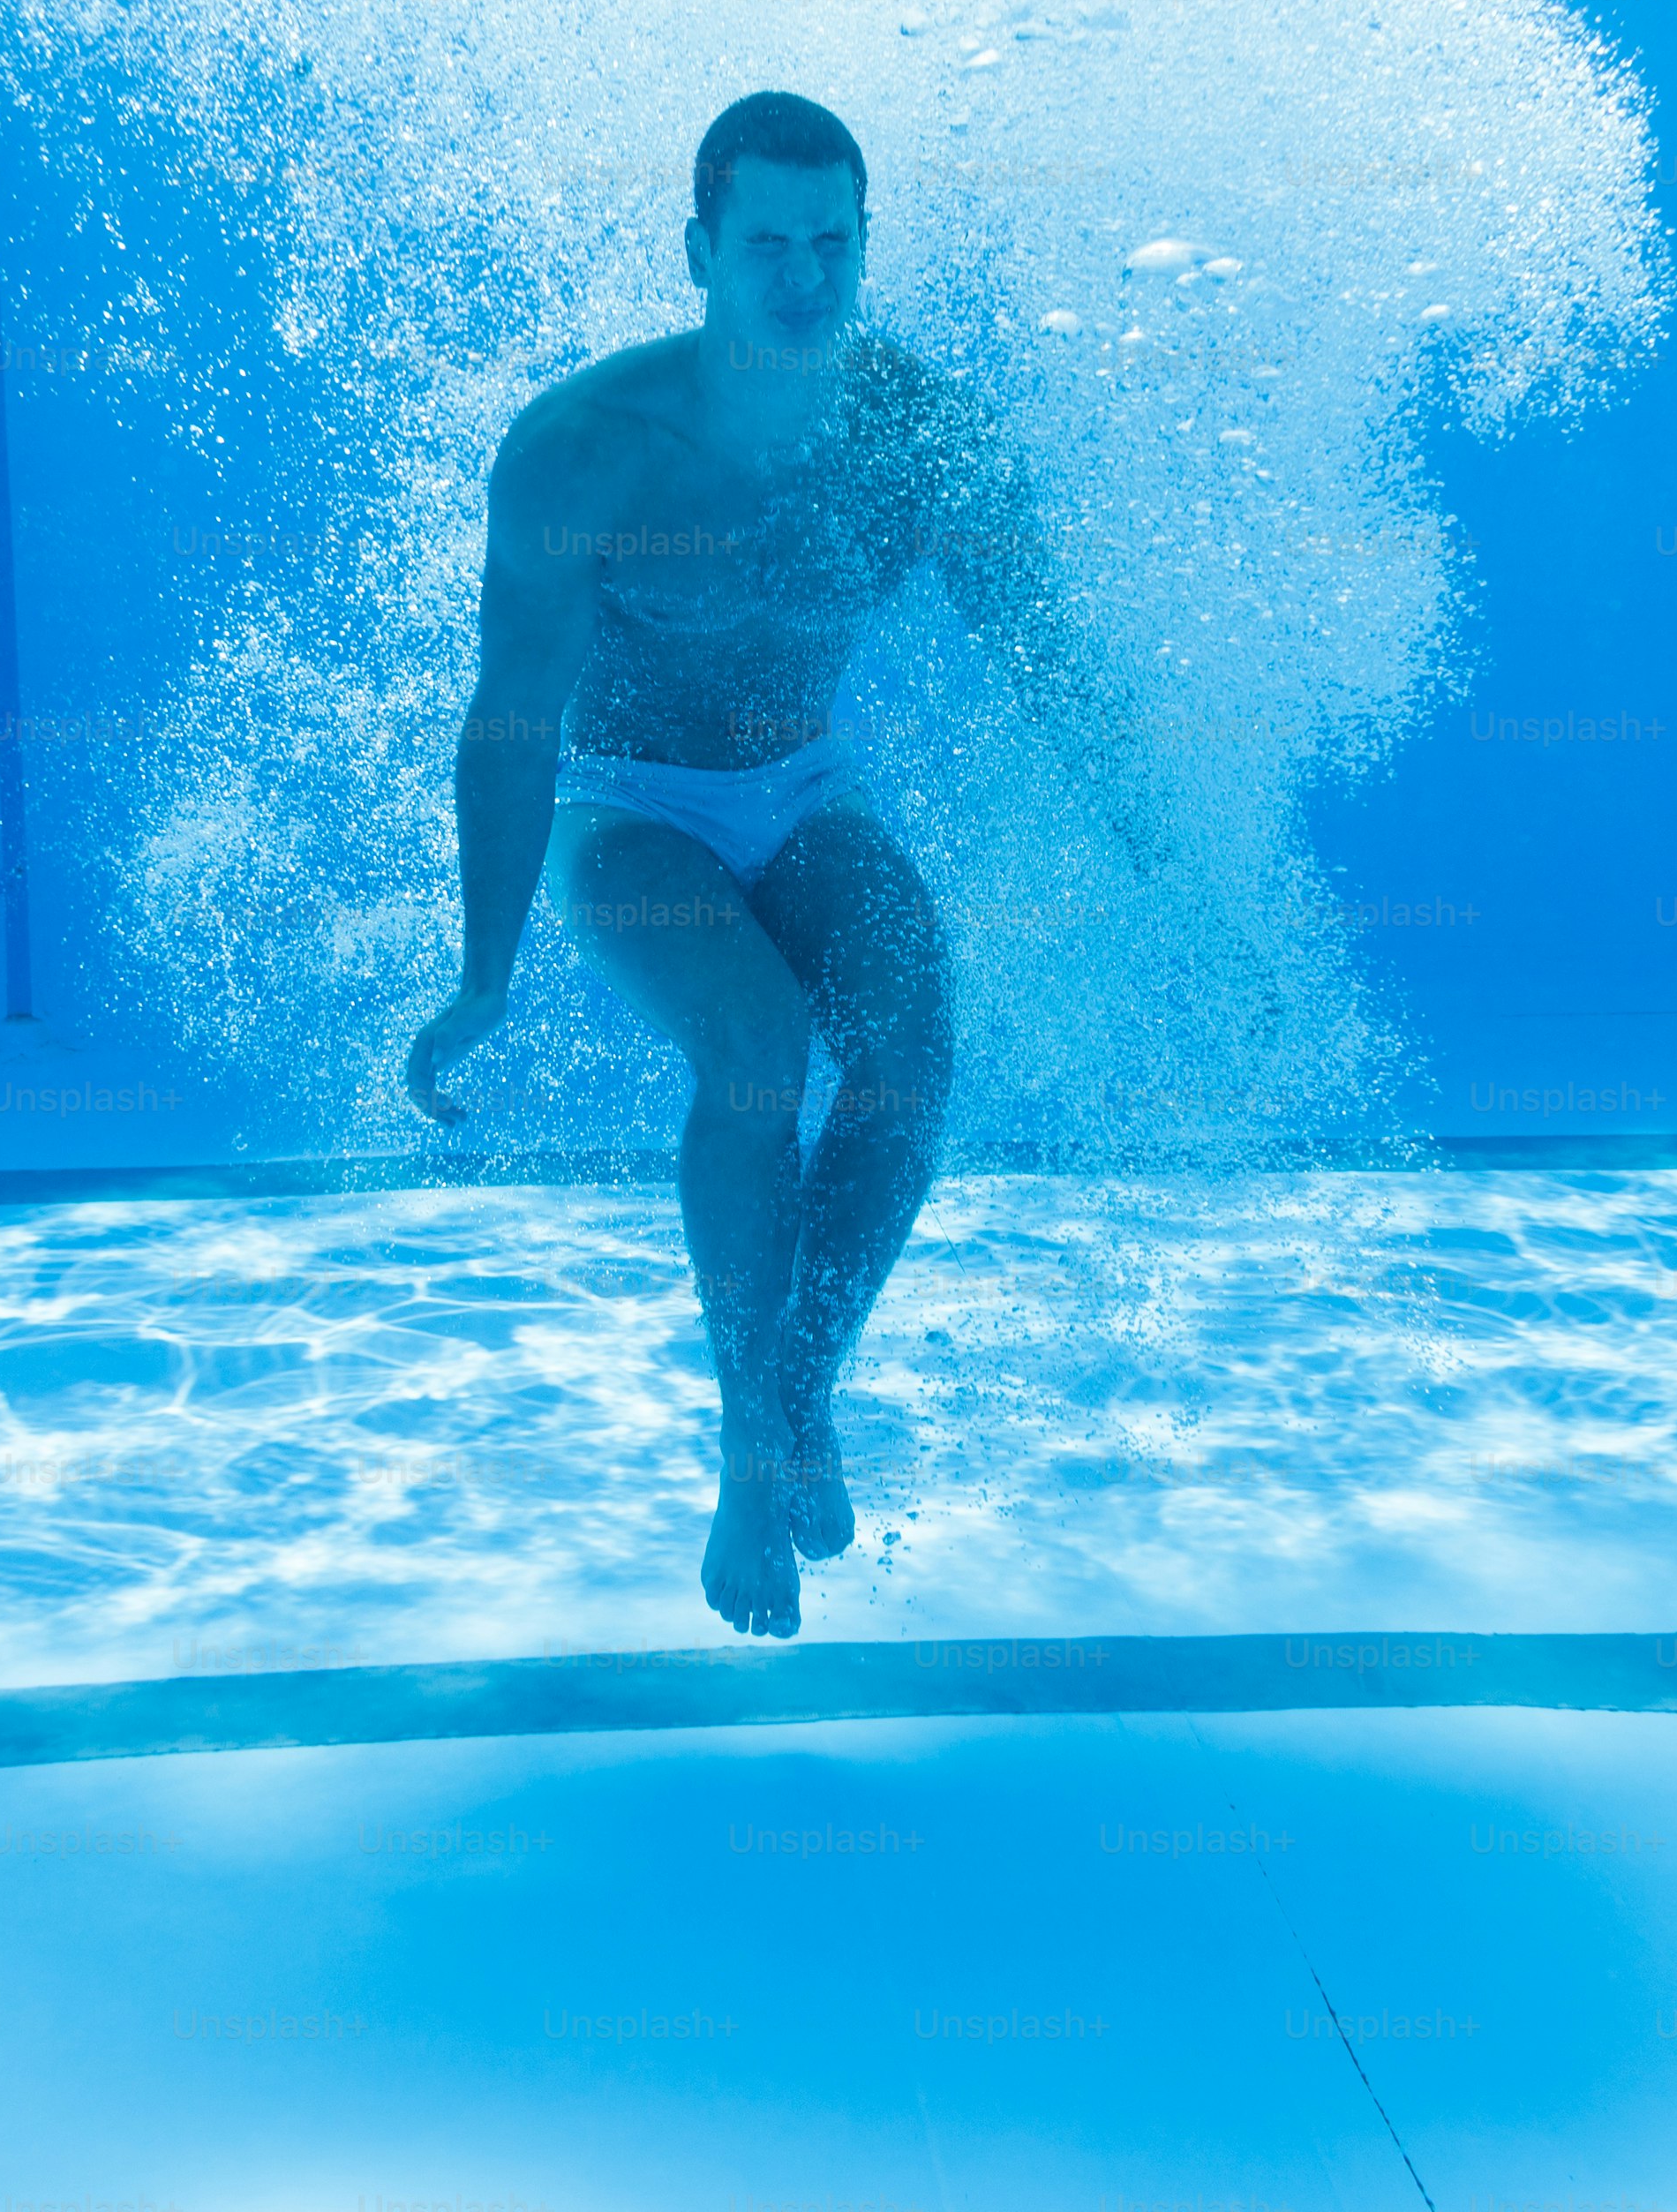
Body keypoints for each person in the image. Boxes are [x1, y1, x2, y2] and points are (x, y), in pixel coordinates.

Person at [402, 92, 1158, 1638]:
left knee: (911, 1045)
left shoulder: (917, 433)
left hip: (807, 784)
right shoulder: (586, 452)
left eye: (835, 243)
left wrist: (1173, 870)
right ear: (699, 252)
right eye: (769, 247)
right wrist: (483, 974)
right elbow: (511, 720)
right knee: (751, 1046)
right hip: (626, 803)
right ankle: (755, 1450)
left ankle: (789, 1398)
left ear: (865, 244)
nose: (805, 279)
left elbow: (1050, 657)